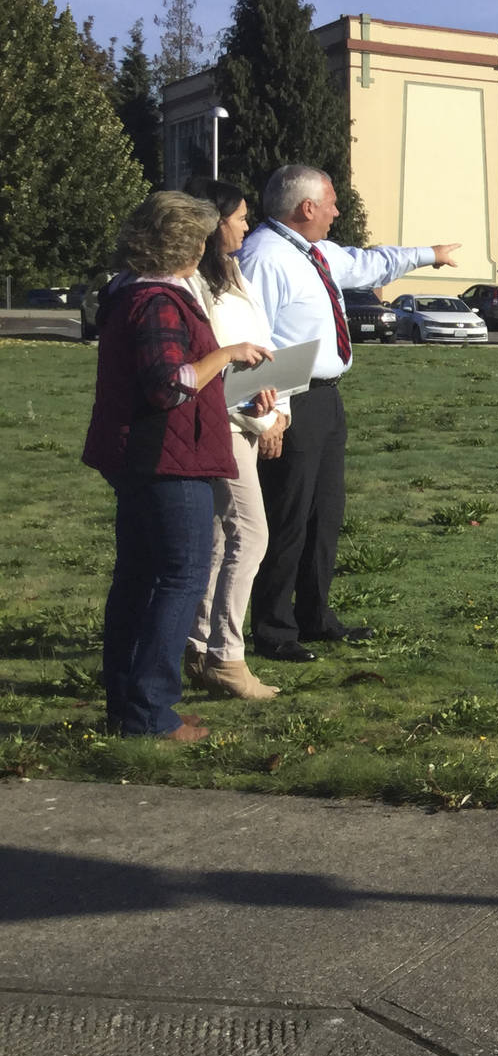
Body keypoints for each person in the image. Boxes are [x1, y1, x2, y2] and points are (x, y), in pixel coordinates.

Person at [238, 164, 457, 663]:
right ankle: (273, 627)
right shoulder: (264, 259)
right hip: (290, 402)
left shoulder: (313, 252)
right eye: (332, 202)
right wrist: (271, 414)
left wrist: (430, 256)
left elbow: (367, 264)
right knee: (287, 515)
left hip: (327, 398)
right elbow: (257, 341)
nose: (338, 211)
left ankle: (315, 616)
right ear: (306, 207)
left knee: (324, 514)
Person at [82, 192, 274, 741]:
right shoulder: (160, 301)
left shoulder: (127, 293)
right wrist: (229, 354)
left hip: (146, 455)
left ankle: (128, 705)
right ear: (188, 244)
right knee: (179, 577)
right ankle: (150, 713)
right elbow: (170, 385)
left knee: (139, 579)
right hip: (166, 458)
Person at [181, 178, 285, 700]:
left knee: (223, 538)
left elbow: (261, 345)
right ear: (214, 221)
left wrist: (274, 410)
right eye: (241, 217)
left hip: (245, 416)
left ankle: (198, 645)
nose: (247, 225)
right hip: (218, 422)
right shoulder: (193, 287)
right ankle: (227, 654)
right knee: (252, 532)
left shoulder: (233, 272)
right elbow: (211, 361)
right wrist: (257, 409)